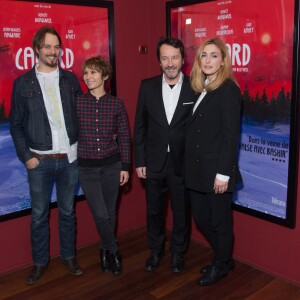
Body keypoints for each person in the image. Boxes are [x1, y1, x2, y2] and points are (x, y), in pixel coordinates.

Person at [9, 26, 83, 284]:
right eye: (48, 47)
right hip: (39, 162)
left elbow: (81, 114)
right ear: (37, 50)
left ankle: (69, 257)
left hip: (69, 160)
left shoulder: (70, 79)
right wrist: (26, 156)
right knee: (39, 215)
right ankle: (40, 262)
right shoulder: (22, 83)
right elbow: (16, 125)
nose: (53, 51)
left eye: (56, 46)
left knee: (67, 212)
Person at [133, 37, 197, 273]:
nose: (170, 63)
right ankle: (156, 250)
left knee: (181, 211)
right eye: (165, 58)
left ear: (183, 59)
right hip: (154, 161)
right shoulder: (147, 86)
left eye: (175, 58)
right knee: (154, 210)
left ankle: (178, 253)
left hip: (183, 162)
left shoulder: (195, 86)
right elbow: (139, 125)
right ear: (159, 61)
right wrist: (139, 160)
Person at [185, 37, 242, 286]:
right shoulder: (202, 87)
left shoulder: (228, 89)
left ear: (223, 61)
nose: (208, 60)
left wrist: (223, 173)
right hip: (198, 170)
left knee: (220, 222)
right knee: (201, 218)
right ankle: (224, 258)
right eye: (204, 55)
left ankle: (220, 265)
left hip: (216, 171)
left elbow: (231, 135)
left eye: (214, 55)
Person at [76, 56, 131, 277]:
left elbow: (125, 137)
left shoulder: (116, 104)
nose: (88, 77)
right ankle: (115, 251)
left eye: (93, 73)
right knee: (101, 215)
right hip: (87, 168)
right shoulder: (78, 102)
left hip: (112, 165)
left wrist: (125, 166)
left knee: (110, 212)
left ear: (104, 76)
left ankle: (103, 250)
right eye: (86, 73)